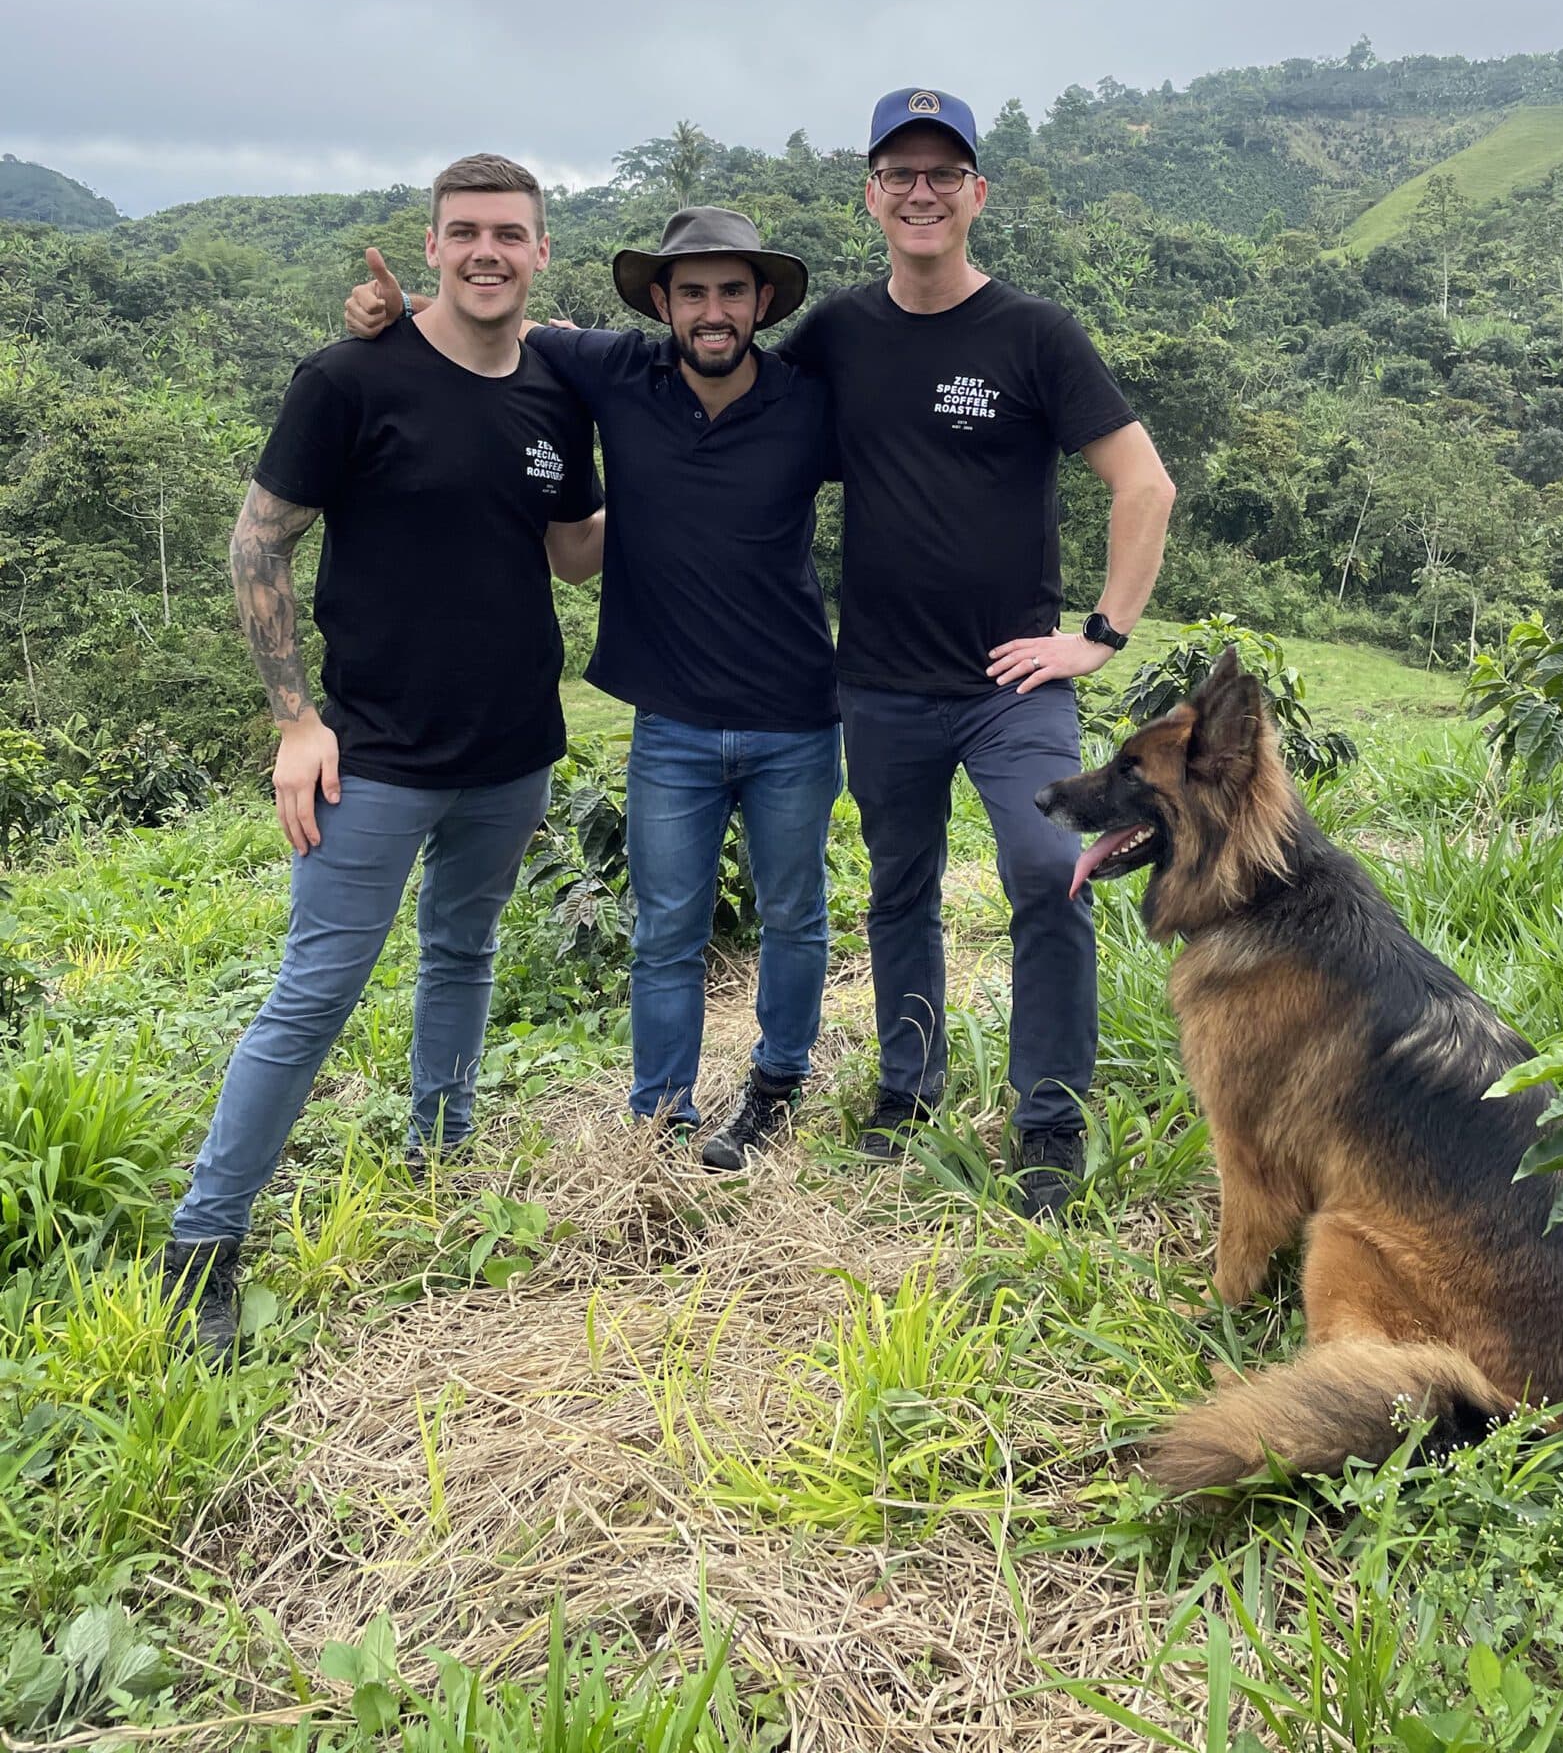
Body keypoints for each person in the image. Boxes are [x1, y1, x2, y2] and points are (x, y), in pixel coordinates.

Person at [160, 156, 603, 1358]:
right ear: (433, 243)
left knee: (465, 951)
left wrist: (680, 481)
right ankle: (203, 1241)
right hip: (374, 757)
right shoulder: (351, 376)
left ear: (541, 250)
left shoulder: (558, 395)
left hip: (512, 748)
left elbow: (571, 555)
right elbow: (258, 549)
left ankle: (443, 1162)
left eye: (510, 233)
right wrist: (295, 718)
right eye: (466, 232)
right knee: (313, 993)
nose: (487, 253)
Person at [345, 209, 840, 1173]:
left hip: (795, 716)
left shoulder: (809, 402)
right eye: (691, 291)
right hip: (670, 724)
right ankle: (662, 1118)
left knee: (798, 913)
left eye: (732, 290)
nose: (712, 310)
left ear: (763, 302)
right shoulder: (615, 371)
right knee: (666, 932)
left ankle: (779, 1082)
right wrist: (396, 305)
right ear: (660, 302)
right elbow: (497, 323)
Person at [780, 87, 1177, 1217]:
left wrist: (1097, 637)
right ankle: (907, 1094)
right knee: (897, 889)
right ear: (870, 195)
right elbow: (726, 401)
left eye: (941, 173)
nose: (920, 191)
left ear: (976, 196)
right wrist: (558, 351)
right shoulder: (841, 334)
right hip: (881, 686)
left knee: (1051, 874)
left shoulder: (1033, 334)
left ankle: (1048, 1122)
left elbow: (1144, 483)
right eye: (898, 172)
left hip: (1012, 689)